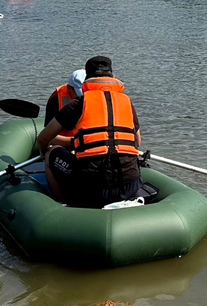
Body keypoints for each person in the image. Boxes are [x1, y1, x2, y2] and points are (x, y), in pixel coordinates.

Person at [37, 56, 144, 208]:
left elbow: (43, 139)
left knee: (50, 153)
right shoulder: (126, 101)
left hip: (93, 188)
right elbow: (137, 142)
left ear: (88, 78)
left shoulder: (78, 103)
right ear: (112, 76)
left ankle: (61, 203)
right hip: (130, 183)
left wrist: (42, 153)